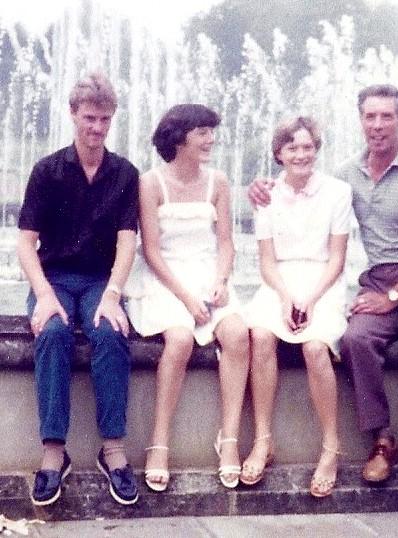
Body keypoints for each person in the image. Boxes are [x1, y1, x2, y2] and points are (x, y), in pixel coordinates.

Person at [249, 84, 398, 524]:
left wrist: (393, 297)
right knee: (357, 341)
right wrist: (262, 185)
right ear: (361, 120)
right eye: (370, 117)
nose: (378, 125)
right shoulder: (348, 175)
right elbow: (306, 186)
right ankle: (382, 439)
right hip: (381, 281)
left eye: (387, 116)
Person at [17, 72, 140, 506]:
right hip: (54, 278)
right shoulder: (47, 171)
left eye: (105, 119)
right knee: (51, 334)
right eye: (89, 118)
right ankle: (54, 452)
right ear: (73, 114)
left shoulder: (125, 173)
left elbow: (128, 242)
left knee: (110, 333)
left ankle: (113, 450)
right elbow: (25, 243)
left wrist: (113, 293)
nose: (98, 128)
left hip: (99, 281)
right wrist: (44, 294)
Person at [123, 104, 250, 492]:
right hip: (166, 278)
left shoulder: (219, 182)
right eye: (203, 132)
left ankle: (228, 439)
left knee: (238, 334)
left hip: (208, 273)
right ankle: (159, 442)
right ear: (179, 137)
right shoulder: (150, 183)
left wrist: (221, 280)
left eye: (212, 131)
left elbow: (226, 243)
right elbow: (152, 251)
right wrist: (186, 297)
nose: (211, 139)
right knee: (178, 338)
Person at [242, 117, 352, 498]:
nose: (301, 154)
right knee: (260, 334)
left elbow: (337, 259)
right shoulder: (266, 195)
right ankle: (263, 439)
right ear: (279, 153)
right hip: (280, 282)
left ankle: (330, 447)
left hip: (324, 283)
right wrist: (288, 297)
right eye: (292, 148)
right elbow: (267, 261)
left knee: (315, 347)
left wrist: (310, 298)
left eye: (307, 147)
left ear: (316, 150)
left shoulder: (338, 192)